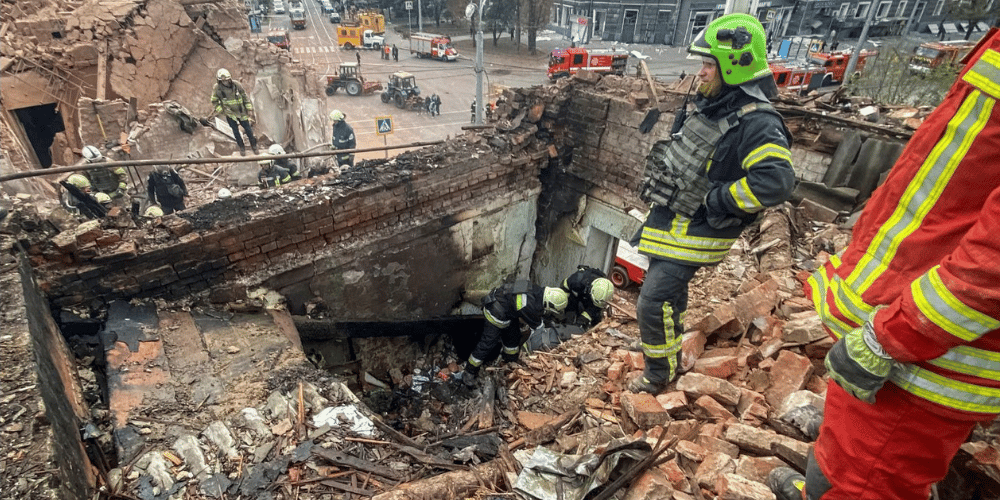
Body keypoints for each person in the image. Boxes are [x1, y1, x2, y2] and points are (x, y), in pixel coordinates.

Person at [768, 29, 1000, 500]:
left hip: (925, 352)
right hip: (903, 328)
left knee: (862, 483)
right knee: (839, 460)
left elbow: (990, 265)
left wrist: (893, 336)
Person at [628, 13, 795, 394]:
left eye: (707, 64)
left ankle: (658, 376)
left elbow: (776, 182)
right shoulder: (717, 104)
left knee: (651, 301)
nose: (701, 73)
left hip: (697, 230)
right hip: (674, 220)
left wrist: (717, 199)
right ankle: (668, 348)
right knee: (667, 295)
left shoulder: (758, 123)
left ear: (735, 66)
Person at [462, 282, 569, 387]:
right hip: (495, 313)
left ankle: (509, 362)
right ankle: (469, 372)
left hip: (508, 310)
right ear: (549, 304)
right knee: (487, 343)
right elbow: (538, 328)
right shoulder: (530, 304)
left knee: (513, 338)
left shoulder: (536, 290)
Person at [210, 68, 258, 156]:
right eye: (223, 81)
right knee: (236, 132)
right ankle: (241, 148)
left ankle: (254, 146)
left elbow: (244, 96)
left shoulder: (236, 85)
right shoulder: (217, 88)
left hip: (241, 112)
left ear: (230, 79)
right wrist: (222, 110)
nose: (225, 82)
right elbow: (214, 101)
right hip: (230, 114)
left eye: (227, 80)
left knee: (248, 130)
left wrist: (249, 109)